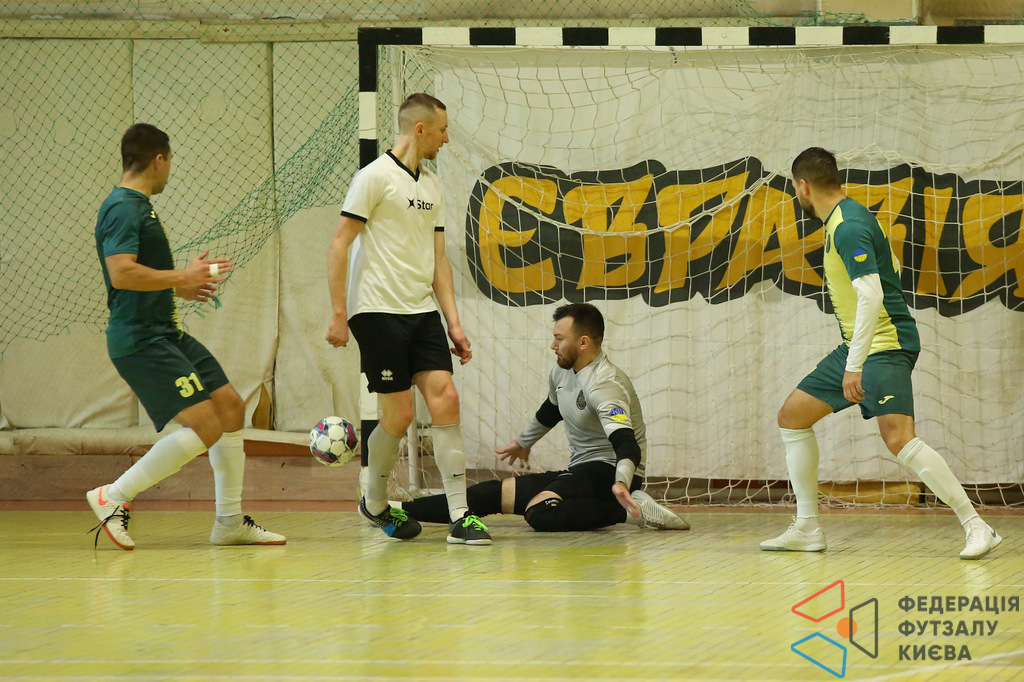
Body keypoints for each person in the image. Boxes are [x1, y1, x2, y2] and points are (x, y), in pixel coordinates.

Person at [761, 147, 1001, 559]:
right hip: (860, 344)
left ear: (803, 186)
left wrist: (854, 365)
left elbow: (871, 296)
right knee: (793, 417)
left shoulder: (848, 227)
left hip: (884, 345)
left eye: (795, 189)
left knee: (899, 438)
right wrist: (854, 355)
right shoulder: (848, 216)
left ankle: (977, 526)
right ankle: (807, 528)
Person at [88, 123, 285, 550]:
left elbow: (139, 276)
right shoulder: (123, 208)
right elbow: (121, 274)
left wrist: (180, 287)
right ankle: (114, 495)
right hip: (141, 341)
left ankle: (229, 522)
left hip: (166, 333)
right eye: (170, 161)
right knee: (207, 425)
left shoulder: (139, 207)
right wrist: (182, 276)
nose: (169, 170)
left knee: (230, 407)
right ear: (159, 160)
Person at [326, 93, 490, 545]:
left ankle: (461, 515)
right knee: (398, 416)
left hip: (421, 311)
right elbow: (339, 244)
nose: (446, 139)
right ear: (421, 129)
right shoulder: (373, 177)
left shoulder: (433, 186)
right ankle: (375, 502)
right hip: (377, 310)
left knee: (446, 399)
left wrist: (454, 323)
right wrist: (339, 313)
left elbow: (438, 259)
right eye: (442, 130)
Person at [401, 303, 689, 533]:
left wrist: (622, 483)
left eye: (559, 339)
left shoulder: (605, 385)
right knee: (487, 495)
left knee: (539, 512)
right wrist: (523, 443)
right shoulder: (562, 371)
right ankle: (396, 510)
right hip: (582, 470)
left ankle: (628, 511)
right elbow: (551, 410)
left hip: (611, 473)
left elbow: (627, 443)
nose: (553, 345)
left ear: (584, 342)